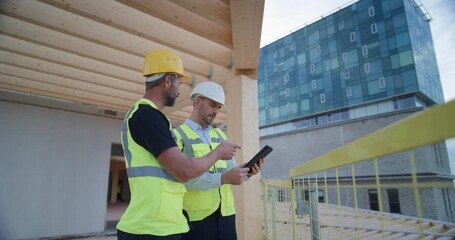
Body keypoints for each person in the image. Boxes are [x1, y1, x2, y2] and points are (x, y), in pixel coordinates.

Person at [116, 49, 241, 240]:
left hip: (164, 224)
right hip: (151, 227)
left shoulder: (152, 117)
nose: (180, 89)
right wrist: (217, 154)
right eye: (179, 82)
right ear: (167, 81)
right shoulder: (147, 116)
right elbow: (184, 172)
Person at [173, 81, 264, 240]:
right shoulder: (178, 136)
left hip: (226, 215)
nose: (216, 111)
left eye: (219, 107)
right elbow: (183, 179)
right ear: (197, 102)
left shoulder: (220, 136)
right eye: (212, 104)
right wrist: (224, 178)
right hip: (196, 219)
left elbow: (231, 169)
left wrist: (246, 172)